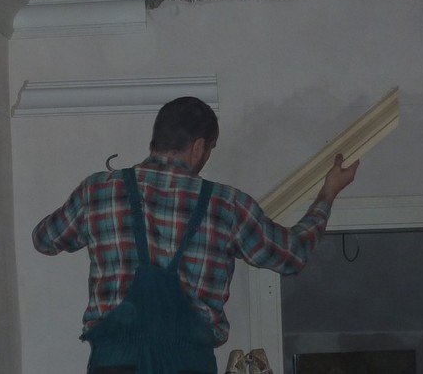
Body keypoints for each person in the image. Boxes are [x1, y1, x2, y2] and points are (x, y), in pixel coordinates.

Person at [32, 96, 359, 374]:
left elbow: (44, 240)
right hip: (189, 365)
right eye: (210, 148)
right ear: (199, 146)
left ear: (156, 140)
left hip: (115, 364)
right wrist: (327, 195)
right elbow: (293, 255)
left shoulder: (98, 190)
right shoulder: (227, 205)